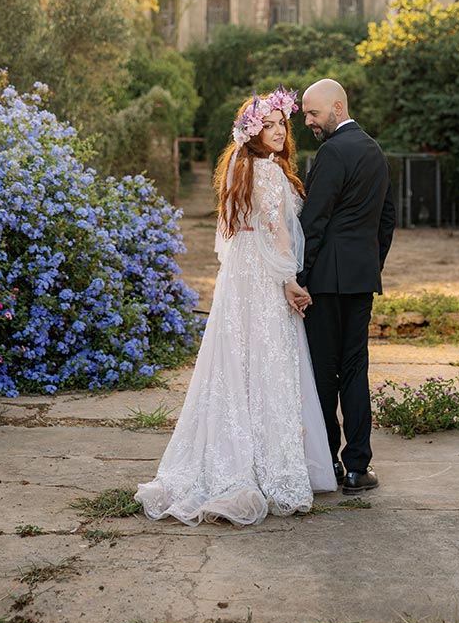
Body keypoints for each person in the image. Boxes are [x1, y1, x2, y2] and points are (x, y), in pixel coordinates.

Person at [135, 88, 336, 526]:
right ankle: (267, 468)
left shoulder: (236, 168)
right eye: (270, 125)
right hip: (264, 279)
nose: (280, 132)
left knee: (234, 366)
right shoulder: (266, 172)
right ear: (252, 131)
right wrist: (289, 280)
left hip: (237, 280)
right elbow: (276, 233)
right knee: (268, 364)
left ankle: (227, 459)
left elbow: (229, 239)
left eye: (283, 124)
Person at [294, 79, 395, 495]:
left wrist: (298, 279)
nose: (309, 122)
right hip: (359, 281)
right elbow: (385, 221)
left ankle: (328, 465)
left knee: (323, 372)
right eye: (305, 115)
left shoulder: (331, 153)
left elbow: (312, 223)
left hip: (324, 283)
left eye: (314, 114)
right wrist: (368, 265)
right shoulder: (375, 151)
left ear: (337, 107)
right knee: (355, 369)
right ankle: (358, 467)